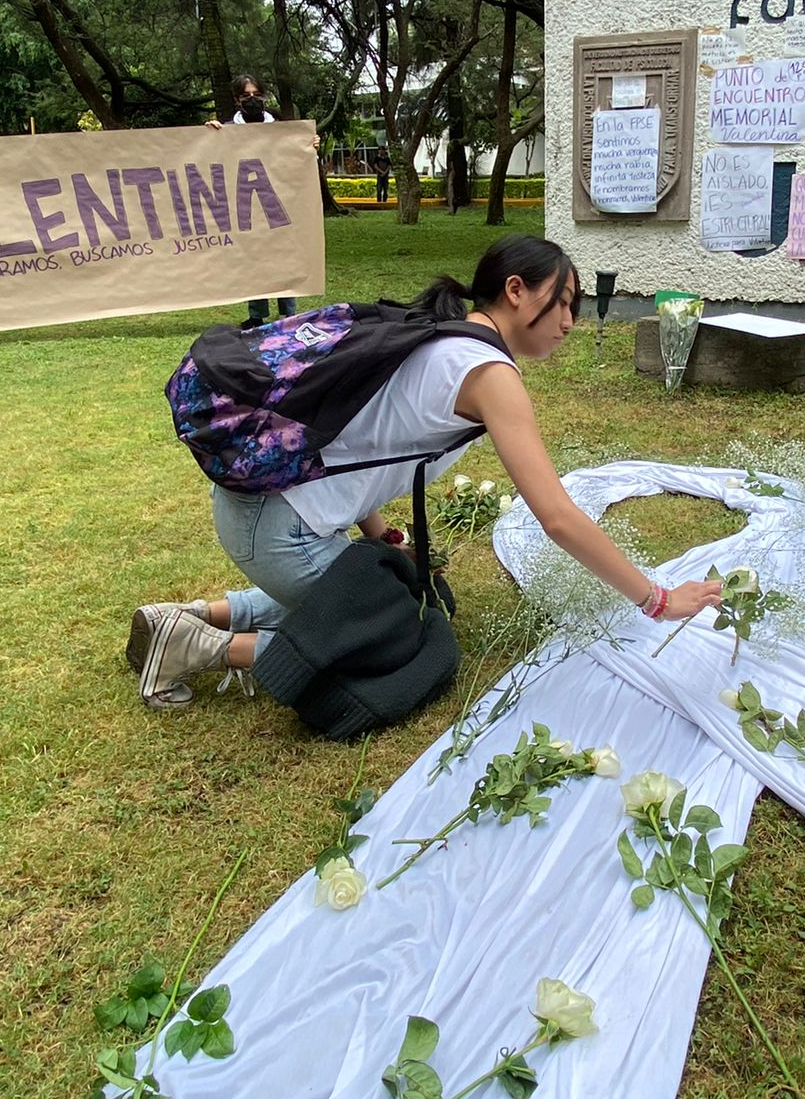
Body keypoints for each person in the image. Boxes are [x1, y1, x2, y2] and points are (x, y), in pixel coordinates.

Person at [129, 233, 723, 706]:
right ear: (516, 291)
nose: (569, 320)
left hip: (256, 510)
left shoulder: (435, 336)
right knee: (410, 631)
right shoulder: (489, 375)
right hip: (279, 533)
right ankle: (197, 647)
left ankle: (193, 616)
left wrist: (385, 539)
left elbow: (354, 442)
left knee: (409, 586)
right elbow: (559, 518)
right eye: (561, 301)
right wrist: (657, 599)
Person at [206, 74, 297, 328]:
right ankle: (257, 314)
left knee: (283, 255)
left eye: (256, 94)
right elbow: (211, 158)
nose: (252, 99)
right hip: (245, 202)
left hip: (279, 199)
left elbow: (296, 156)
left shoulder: (280, 127)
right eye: (246, 95)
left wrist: (310, 144)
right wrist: (208, 135)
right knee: (253, 257)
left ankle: (288, 312)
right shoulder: (226, 130)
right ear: (238, 100)